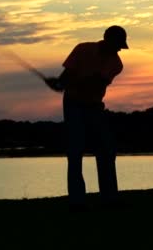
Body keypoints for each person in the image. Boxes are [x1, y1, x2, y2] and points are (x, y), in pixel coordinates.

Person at [44, 25, 128, 211]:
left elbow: (95, 82)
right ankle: (77, 201)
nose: (119, 49)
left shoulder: (116, 64)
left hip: (94, 106)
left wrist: (62, 84)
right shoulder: (82, 49)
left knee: (106, 151)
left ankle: (109, 198)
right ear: (107, 40)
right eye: (117, 44)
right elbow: (67, 75)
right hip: (73, 104)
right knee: (75, 151)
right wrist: (59, 82)